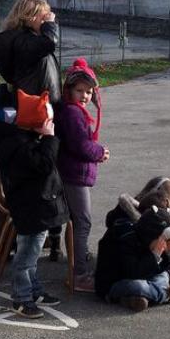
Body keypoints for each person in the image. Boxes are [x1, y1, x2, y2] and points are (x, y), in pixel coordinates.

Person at [0, 0, 64, 259]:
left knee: (47, 171)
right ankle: (33, 238)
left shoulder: (21, 40)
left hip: (39, 109)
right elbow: (50, 42)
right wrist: (50, 25)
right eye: (43, 16)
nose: (47, 19)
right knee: (40, 172)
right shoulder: (22, 41)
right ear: (29, 17)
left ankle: (48, 235)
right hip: (32, 115)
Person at [0, 89, 69, 319]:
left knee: (32, 253)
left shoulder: (25, 140)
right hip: (30, 207)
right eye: (49, 121)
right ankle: (21, 298)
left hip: (36, 206)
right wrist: (50, 139)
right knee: (26, 257)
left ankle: (34, 290)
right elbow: (43, 166)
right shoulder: (20, 146)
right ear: (39, 123)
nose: (52, 126)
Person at [55, 57, 109, 290]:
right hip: (73, 175)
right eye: (80, 91)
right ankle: (80, 274)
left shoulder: (74, 111)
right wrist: (100, 152)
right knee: (82, 221)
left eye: (89, 92)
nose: (85, 96)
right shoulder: (72, 113)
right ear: (69, 90)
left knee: (79, 221)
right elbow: (80, 145)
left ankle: (79, 262)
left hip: (74, 174)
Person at [95, 206, 170, 312]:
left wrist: (168, 254)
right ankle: (167, 294)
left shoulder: (147, 242)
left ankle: (131, 299)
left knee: (163, 275)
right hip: (114, 283)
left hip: (143, 276)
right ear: (150, 235)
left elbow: (157, 270)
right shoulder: (125, 239)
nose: (164, 244)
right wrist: (155, 255)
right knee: (138, 286)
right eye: (163, 240)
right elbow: (133, 273)